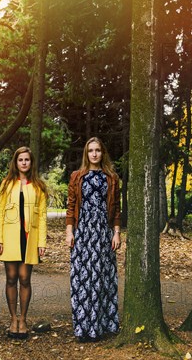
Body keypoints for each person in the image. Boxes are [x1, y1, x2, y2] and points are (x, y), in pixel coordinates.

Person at [65, 137, 121, 342]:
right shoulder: (77, 176)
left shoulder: (111, 178)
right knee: (81, 278)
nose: (94, 154)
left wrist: (116, 232)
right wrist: (69, 231)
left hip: (103, 232)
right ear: (86, 154)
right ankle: (83, 329)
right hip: (82, 231)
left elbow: (116, 208)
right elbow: (71, 206)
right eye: (91, 150)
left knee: (102, 278)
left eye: (98, 150)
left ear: (102, 153)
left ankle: (100, 327)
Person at [0, 146, 47, 339]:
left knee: (25, 278)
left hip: (29, 239)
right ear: (15, 163)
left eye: (27, 160)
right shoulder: (6, 184)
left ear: (31, 163)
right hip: (9, 237)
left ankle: (23, 319)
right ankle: (13, 318)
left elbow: (42, 217)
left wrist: (42, 242)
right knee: (11, 278)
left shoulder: (38, 186)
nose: (24, 162)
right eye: (20, 160)